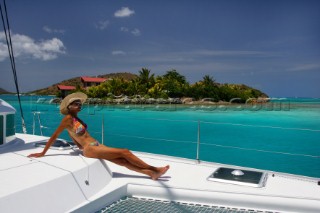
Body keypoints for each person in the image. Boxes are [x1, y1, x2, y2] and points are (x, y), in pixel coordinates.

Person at [28, 92, 169, 180]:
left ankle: (150, 174)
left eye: (79, 103)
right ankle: (155, 169)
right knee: (125, 152)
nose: (79, 105)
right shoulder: (67, 119)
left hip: (96, 145)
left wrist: (77, 144)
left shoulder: (77, 119)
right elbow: (54, 136)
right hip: (89, 148)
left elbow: (72, 134)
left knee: (123, 161)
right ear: (69, 107)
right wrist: (42, 153)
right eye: (76, 104)